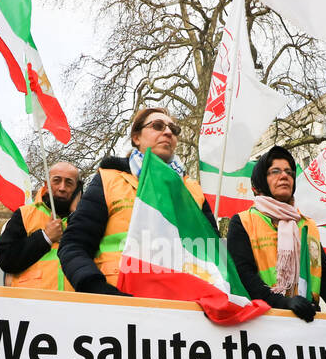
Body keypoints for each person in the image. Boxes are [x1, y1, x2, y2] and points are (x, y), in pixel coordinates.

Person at [58, 107, 216, 294]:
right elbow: (74, 245)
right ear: (136, 138)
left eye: (173, 130)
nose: (167, 132)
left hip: (185, 305)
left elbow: (213, 255)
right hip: (121, 303)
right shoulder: (109, 180)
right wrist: (97, 288)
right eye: (157, 126)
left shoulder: (193, 190)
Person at [225, 145, 326, 336]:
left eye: (289, 172)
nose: (284, 176)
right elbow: (244, 277)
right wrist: (283, 303)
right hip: (262, 328)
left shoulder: (307, 226)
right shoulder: (243, 222)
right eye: (275, 171)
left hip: (307, 326)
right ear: (260, 181)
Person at [0, 162, 80, 290]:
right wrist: (45, 237)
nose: (62, 188)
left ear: (77, 188)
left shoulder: (82, 218)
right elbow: (6, 259)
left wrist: (78, 215)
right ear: (46, 185)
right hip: (31, 303)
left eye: (69, 183)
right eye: (56, 181)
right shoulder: (25, 214)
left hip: (73, 304)